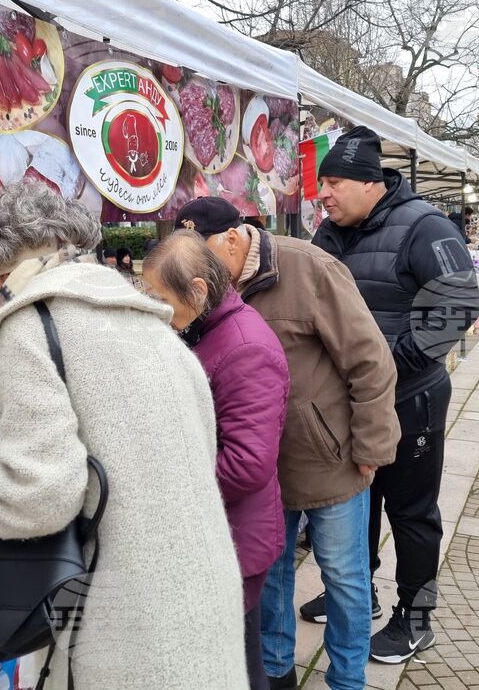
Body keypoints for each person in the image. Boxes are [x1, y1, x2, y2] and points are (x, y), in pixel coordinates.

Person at [0, 181, 248, 688]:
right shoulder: (148, 319)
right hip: (201, 605)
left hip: (126, 632)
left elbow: (38, 495)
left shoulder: (33, 323)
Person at [172, 196, 400, 690]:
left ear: (232, 238)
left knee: (344, 576)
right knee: (270, 574)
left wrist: (371, 448)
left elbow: (371, 360)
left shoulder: (309, 267)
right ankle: (276, 673)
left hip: (328, 459)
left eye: (201, 254)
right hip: (257, 466)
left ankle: (347, 679)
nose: (195, 269)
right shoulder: (204, 287)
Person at [310, 125, 479, 664]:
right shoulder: (328, 233)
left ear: (369, 182)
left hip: (411, 400)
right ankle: (357, 591)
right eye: (322, 183)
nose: (323, 194)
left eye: (333, 183)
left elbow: (459, 306)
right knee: (356, 502)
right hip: (347, 404)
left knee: (411, 512)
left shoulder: (425, 226)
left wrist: (385, 367)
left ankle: (416, 616)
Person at [143, 230, 290, 690]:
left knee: (238, 662)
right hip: (222, 530)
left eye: (161, 299)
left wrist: (169, 484)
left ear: (198, 290)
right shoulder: (208, 328)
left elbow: (248, 463)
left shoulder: (245, 347)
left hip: (236, 538)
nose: (158, 311)